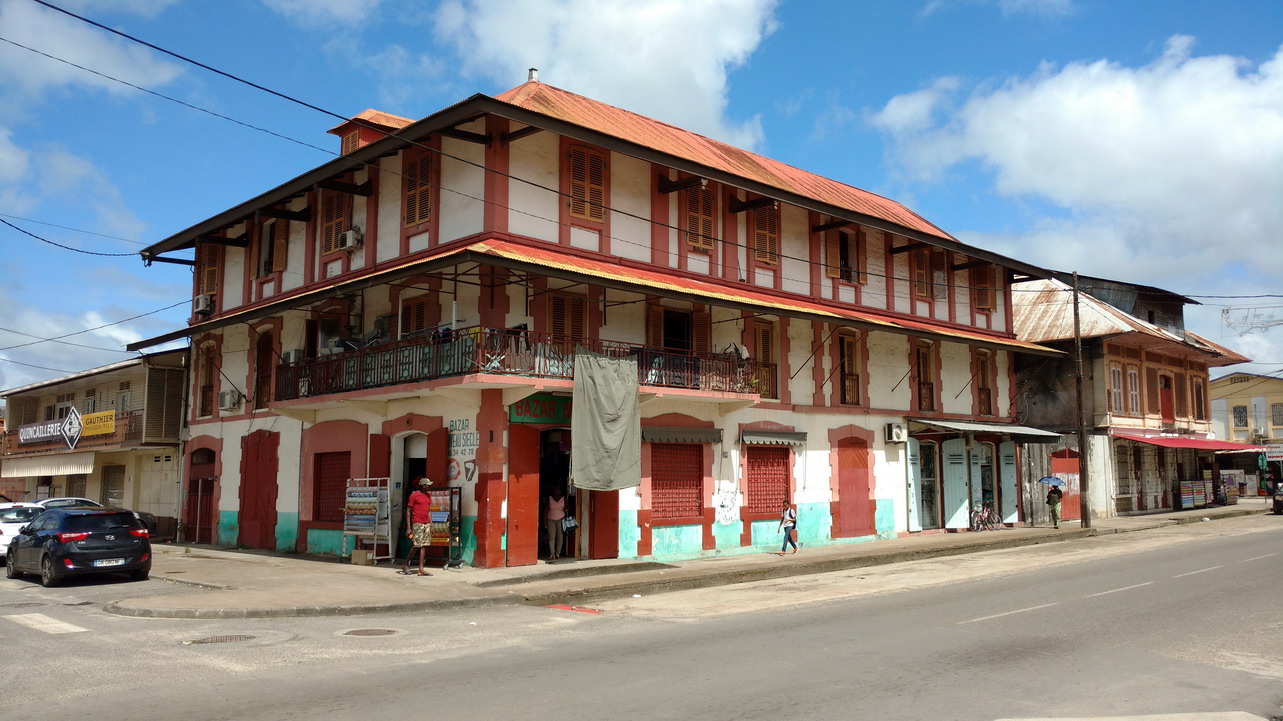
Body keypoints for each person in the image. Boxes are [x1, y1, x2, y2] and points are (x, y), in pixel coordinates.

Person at [402, 477, 433, 576]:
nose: (429, 486)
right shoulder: (414, 496)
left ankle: (421, 569)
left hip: (426, 523)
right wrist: (409, 527)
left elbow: (429, 511)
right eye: (428, 485)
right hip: (417, 523)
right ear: (423, 486)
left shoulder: (428, 496)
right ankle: (405, 564)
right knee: (416, 545)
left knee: (424, 546)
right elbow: (408, 511)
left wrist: (431, 524)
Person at [545, 487, 566, 561]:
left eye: (557, 490)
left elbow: (567, 508)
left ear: (560, 491)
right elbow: (546, 510)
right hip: (550, 519)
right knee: (552, 537)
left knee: (560, 537)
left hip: (561, 519)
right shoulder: (550, 498)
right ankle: (552, 554)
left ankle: (558, 554)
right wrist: (545, 522)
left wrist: (565, 509)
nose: (556, 491)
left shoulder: (564, 498)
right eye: (555, 490)